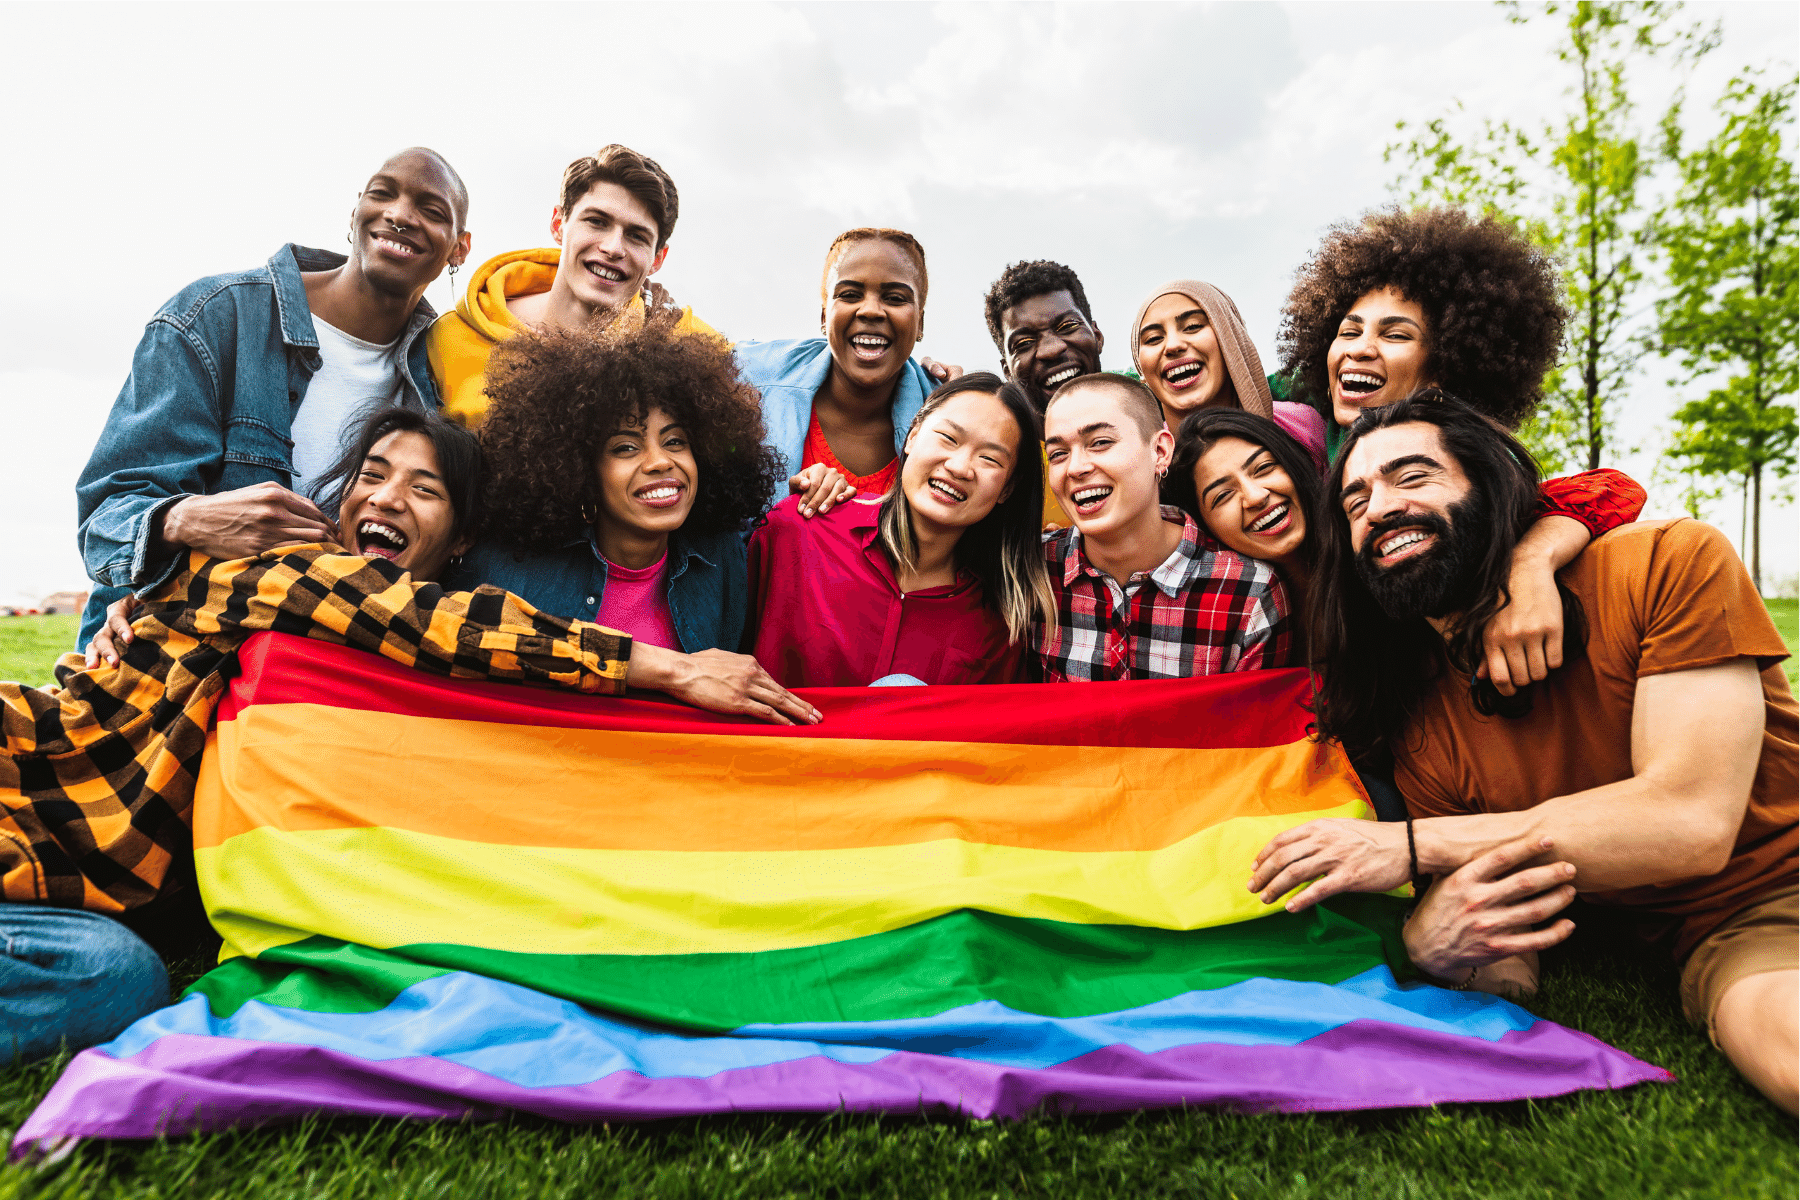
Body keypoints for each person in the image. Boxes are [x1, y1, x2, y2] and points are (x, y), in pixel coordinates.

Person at [25, 408, 816, 1059]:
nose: (388, 498)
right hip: (30, 796)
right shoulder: (291, 570)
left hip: (74, 872)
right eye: (371, 476)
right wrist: (675, 671)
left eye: (423, 488)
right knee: (116, 982)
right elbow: (444, 624)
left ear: (463, 539)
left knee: (120, 971)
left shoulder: (371, 649)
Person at [1247, 391, 1797, 1115]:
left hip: (1772, 897)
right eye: (1354, 502)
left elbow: (1689, 821)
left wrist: (1407, 847)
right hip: (1681, 946)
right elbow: (1503, 938)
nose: (1378, 507)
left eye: (1413, 478)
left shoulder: (1666, 562)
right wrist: (1435, 943)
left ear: (1491, 487)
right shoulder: (1409, 710)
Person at [74, 147, 472, 648]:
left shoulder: (441, 376)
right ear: (355, 213)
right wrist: (189, 518)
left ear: (459, 248)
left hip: (313, 680)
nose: (399, 214)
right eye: (382, 194)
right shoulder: (216, 318)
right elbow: (106, 518)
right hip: (163, 651)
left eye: (432, 211)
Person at [1166, 408, 1650, 690]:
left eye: (1264, 467)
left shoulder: (1379, 547)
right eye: (1222, 495)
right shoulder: (1232, 608)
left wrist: (1530, 562)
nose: (1254, 496)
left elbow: (1614, 489)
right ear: (1206, 525)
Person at [450, 315, 784, 654]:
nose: (660, 461)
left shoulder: (721, 556)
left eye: (675, 441)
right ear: (579, 469)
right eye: (626, 447)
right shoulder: (504, 566)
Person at [746, 373, 1052, 687]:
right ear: (913, 436)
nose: (960, 467)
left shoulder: (1002, 619)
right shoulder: (797, 528)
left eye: (989, 458)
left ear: (1007, 489)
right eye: (948, 438)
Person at [428, 145, 716, 427]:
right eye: (597, 221)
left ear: (657, 259)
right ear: (558, 224)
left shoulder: (686, 340)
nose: (613, 248)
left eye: (637, 236)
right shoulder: (448, 337)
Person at [1036, 374, 1289, 680]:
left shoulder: (1250, 593)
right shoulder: (1033, 571)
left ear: (1160, 451)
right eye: (1059, 454)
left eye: (1100, 443)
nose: (1076, 468)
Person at [1277, 205, 1566, 462]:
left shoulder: (1475, 457)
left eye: (1395, 336)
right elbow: (1240, 382)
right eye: (1350, 332)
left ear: (1443, 370)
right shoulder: (1312, 408)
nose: (1360, 348)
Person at [735, 228, 945, 517]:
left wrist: (962, 399)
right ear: (824, 316)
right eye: (849, 294)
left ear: (920, 322)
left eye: (895, 298)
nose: (870, 310)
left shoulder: (945, 411)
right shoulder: (747, 379)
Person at [1131, 279, 1327, 473]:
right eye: (1154, 339)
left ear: (1232, 340)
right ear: (1141, 371)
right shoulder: (1140, 465)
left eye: (1193, 326)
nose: (1173, 345)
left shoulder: (1303, 426)